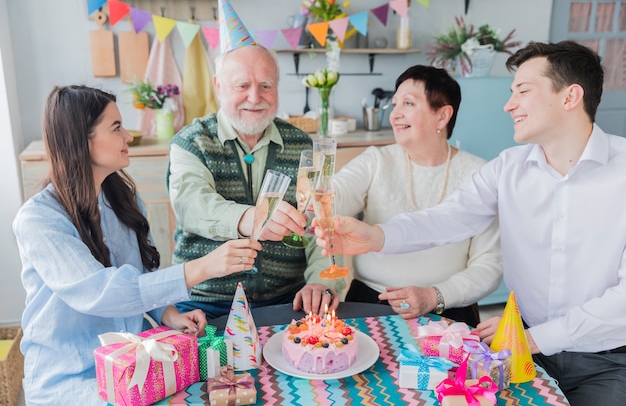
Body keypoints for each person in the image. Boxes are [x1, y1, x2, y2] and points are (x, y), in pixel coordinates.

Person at [315, 40, 626, 406]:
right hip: (522, 346)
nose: (509, 105)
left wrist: (532, 337)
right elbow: (446, 220)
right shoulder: (507, 169)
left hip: (605, 357)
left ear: (570, 96)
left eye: (522, 92)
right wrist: (375, 236)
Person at [12, 86, 261, 406]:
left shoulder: (123, 200)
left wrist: (168, 314)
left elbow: (142, 274)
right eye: (116, 128)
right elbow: (104, 293)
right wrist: (203, 267)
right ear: (81, 140)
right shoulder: (39, 220)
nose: (128, 136)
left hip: (133, 363)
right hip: (73, 379)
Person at [167, 44, 343, 319]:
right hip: (204, 303)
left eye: (265, 85)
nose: (254, 97)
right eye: (242, 85)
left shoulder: (301, 145)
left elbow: (321, 223)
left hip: (287, 301)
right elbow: (192, 206)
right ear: (218, 86)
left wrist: (321, 280)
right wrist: (252, 219)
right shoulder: (192, 142)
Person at [332, 65, 502, 327]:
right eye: (395, 103)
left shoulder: (479, 173)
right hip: (370, 301)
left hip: (447, 310)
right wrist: (316, 196)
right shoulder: (376, 159)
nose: (395, 114)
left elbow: (489, 266)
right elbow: (337, 193)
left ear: (442, 116)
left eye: (408, 103)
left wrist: (435, 296)